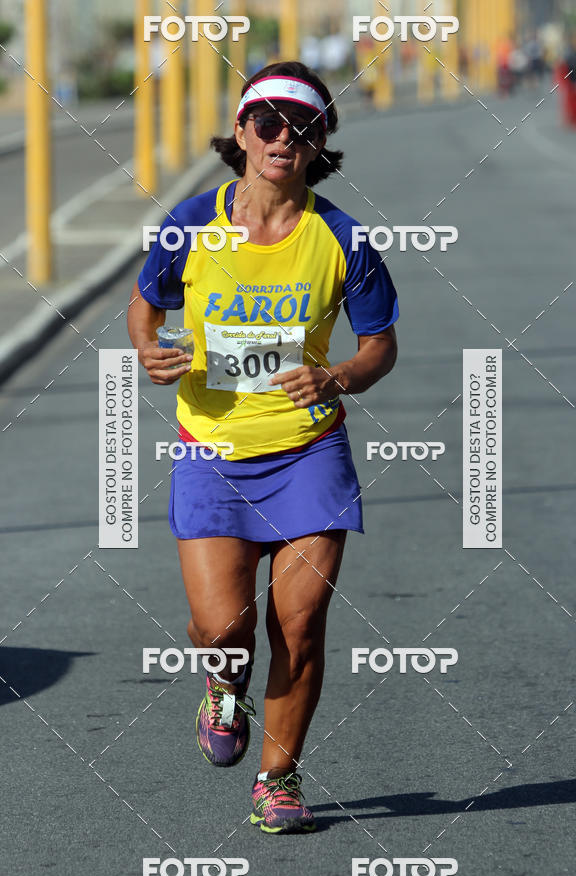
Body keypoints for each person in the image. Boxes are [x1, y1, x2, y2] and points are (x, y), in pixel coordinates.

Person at [127, 60, 398, 834]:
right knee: (224, 628)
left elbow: (380, 346)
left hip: (309, 455)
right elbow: (143, 311)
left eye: (302, 127)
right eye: (269, 123)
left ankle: (278, 779)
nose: (284, 138)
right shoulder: (190, 223)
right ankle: (222, 679)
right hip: (212, 450)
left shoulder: (342, 237)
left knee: (301, 627)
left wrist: (338, 375)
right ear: (241, 133)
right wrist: (149, 351)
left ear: (320, 143)